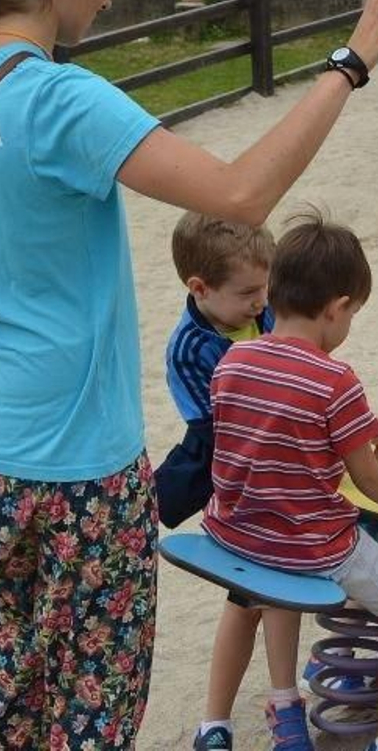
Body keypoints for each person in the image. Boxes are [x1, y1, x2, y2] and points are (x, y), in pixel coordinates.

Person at [0, 0, 378, 750]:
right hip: (74, 474)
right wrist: (352, 61)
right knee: (92, 714)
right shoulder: (60, 99)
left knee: (12, 693)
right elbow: (244, 194)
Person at [200, 212, 378, 751]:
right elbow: (371, 480)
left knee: (271, 584)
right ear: (337, 309)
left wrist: (368, 431)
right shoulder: (337, 379)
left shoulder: (234, 359)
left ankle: (248, 716)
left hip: (237, 532)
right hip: (310, 545)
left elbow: (267, 432)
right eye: (352, 313)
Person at [155, 212, 275, 530]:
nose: (262, 300)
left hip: (277, 416)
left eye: (265, 286)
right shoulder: (188, 350)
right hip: (227, 438)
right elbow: (209, 425)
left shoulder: (267, 309)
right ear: (201, 288)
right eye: (248, 293)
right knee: (191, 475)